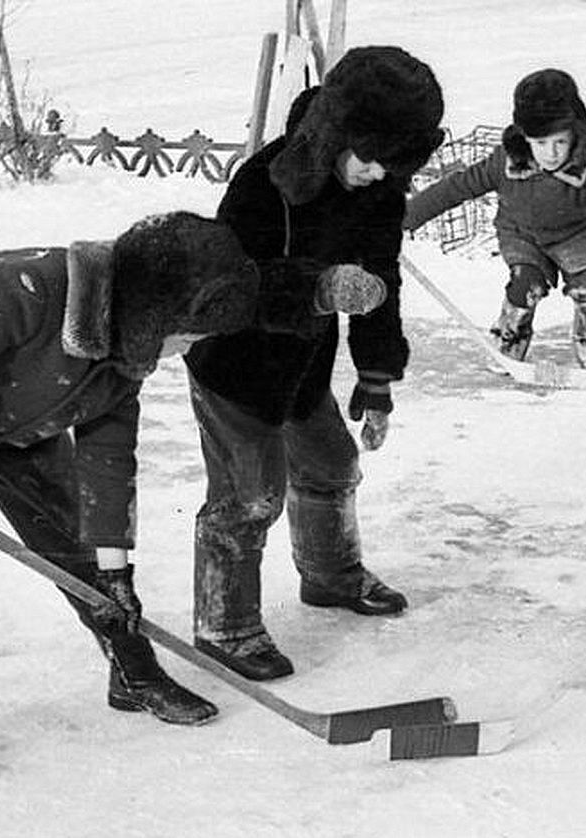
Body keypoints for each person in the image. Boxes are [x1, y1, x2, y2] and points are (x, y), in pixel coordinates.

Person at [0, 210, 386, 805]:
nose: (191, 346)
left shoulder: (124, 355)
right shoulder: (18, 291)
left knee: (80, 551)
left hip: (24, 428)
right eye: (188, 333)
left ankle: (134, 673)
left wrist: (118, 572)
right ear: (156, 314)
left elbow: (108, 466)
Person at [183, 46, 445, 682]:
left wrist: (378, 378)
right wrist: (319, 288)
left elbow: (380, 283)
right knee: (250, 496)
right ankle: (225, 624)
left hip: (301, 366)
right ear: (337, 131)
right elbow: (225, 285)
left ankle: (329, 576)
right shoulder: (264, 184)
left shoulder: (378, 196)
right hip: (234, 366)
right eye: (372, 155)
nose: (380, 174)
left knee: (332, 463)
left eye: (396, 163)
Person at [402, 68, 586, 372]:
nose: (552, 153)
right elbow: (457, 187)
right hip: (522, 235)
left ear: (575, 134)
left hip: (576, 235)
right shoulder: (505, 163)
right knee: (525, 285)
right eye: (540, 144)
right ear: (525, 138)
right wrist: (408, 217)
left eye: (560, 142)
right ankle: (510, 335)